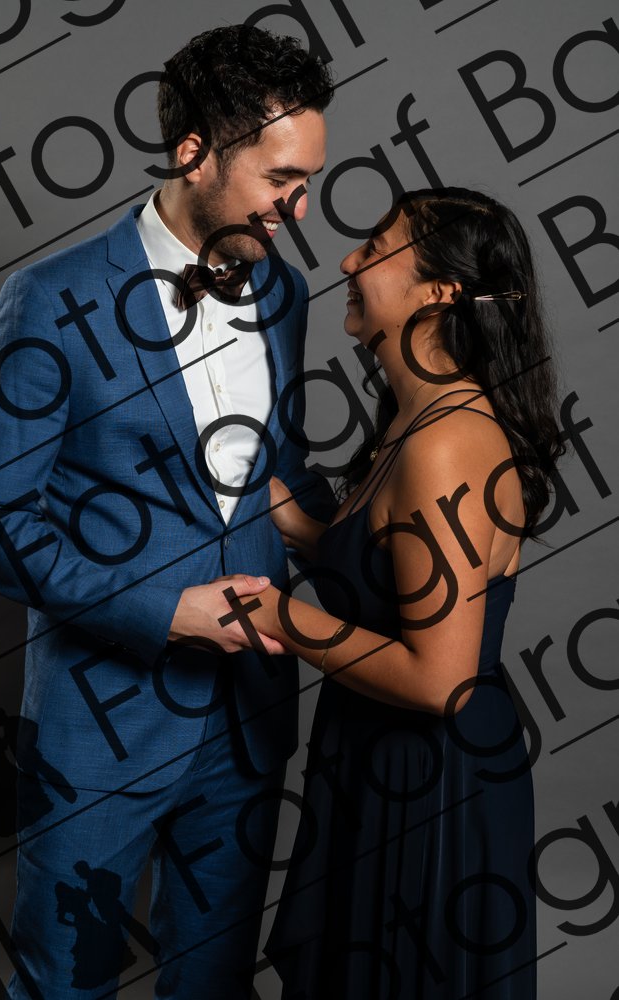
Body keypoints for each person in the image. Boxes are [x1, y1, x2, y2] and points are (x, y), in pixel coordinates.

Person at [0, 25, 335, 999]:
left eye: (308, 182)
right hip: (99, 721)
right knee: (61, 985)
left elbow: (277, 478)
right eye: (280, 179)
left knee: (213, 985)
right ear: (196, 151)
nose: (298, 209)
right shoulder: (50, 297)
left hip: (248, 719)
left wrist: (385, 552)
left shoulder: (286, 294)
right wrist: (165, 611)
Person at [239, 188, 563, 998]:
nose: (349, 261)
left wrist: (276, 614)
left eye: (376, 249)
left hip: (431, 783)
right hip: (380, 761)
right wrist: (292, 521)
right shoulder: (415, 420)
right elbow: (389, 572)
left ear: (440, 293)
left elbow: (440, 680)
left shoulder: (446, 443)